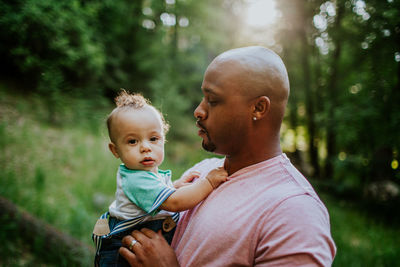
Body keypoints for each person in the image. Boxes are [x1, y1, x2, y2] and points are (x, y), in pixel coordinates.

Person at [119, 46, 337, 266]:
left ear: (258, 108)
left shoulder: (294, 213)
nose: (198, 111)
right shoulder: (203, 171)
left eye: (212, 100)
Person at [92, 90, 227, 266]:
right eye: (133, 141)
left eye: (153, 138)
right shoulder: (136, 180)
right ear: (115, 150)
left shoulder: (146, 174)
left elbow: (161, 193)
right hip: (122, 251)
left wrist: (175, 186)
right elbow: (174, 203)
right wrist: (207, 183)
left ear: (164, 139)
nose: (145, 147)